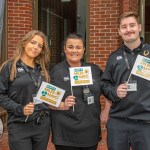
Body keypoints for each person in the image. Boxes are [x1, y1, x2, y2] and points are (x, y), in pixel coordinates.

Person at [0, 30, 75, 150]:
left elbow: (46, 96)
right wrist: (20, 109)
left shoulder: (42, 70)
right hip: (19, 125)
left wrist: (62, 104)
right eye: (33, 42)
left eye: (40, 46)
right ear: (24, 43)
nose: (36, 47)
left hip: (42, 125)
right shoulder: (10, 66)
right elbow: (1, 95)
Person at [101, 11, 150, 150]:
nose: (128, 30)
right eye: (124, 27)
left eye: (132, 25)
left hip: (146, 122)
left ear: (139, 27)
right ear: (119, 31)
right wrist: (114, 92)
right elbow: (105, 84)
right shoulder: (113, 57)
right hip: (118, 121)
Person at [50, 33, 103, 150]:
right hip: (65, 135)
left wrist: (107, 109)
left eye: (78, 47)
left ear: (84, 49)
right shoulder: (56, 71)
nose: (74, 51)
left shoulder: (94, 70)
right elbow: (47, 100)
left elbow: (107, 88)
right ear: (64, 49)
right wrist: (61, 105)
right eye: (70, 47)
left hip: (90, 132)